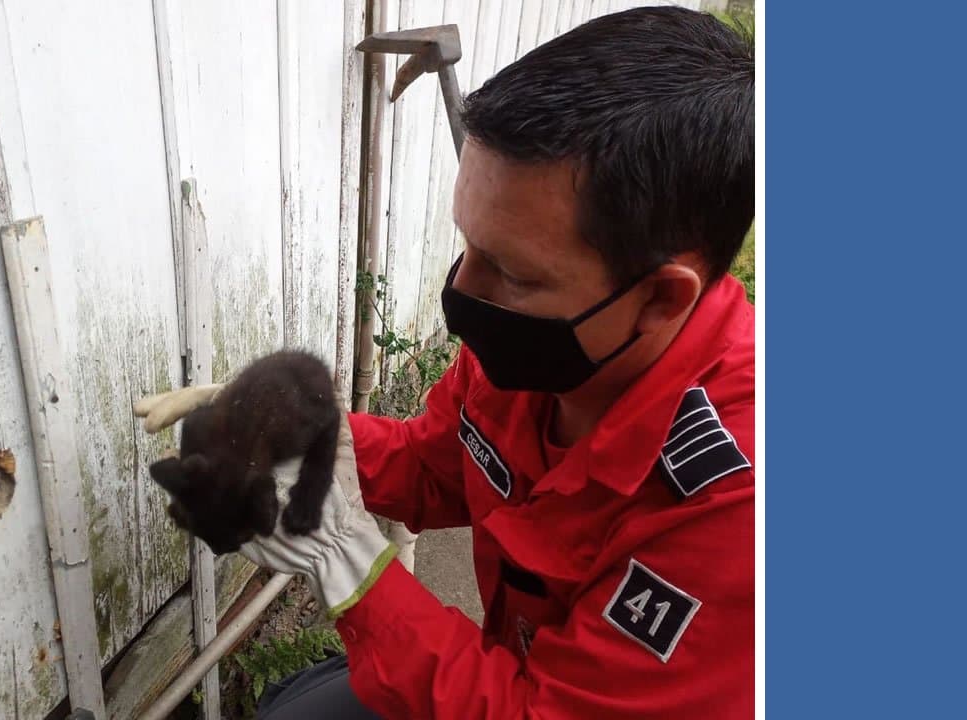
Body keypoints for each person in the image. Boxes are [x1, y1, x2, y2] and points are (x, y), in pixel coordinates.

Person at [134, 6, 754, 718]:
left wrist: (348, 564)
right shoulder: (548, 352)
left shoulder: (735, 514)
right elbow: (436, 464)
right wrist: (300, 435)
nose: (462, 293)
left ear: (659, 300)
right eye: (468, 244)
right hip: (506, 662)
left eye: (512, 273)